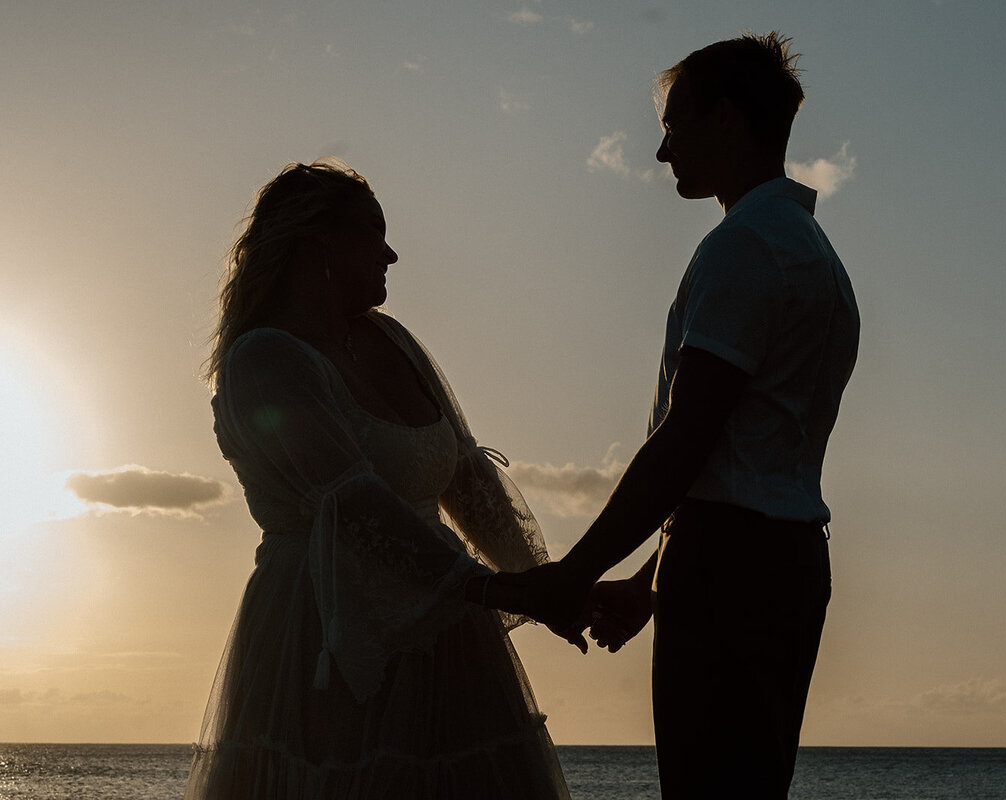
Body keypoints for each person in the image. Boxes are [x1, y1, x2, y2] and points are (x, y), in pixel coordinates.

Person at [481, 32, 860, 799]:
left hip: (727, 567)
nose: (661, 153)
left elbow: (688, 439)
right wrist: (651, 579)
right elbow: (750, 454)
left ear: (724, 120)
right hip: (786, 562)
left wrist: (574, 573)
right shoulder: (816, 255)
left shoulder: (743, 248)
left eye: (674, 126)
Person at [185, 162, 573, 799]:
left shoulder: (394, 340)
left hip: (447, 629)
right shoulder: (264, 359)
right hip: (325, 636)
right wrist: (496, 590)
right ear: (319, 244)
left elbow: (467, 475)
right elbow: (356, 506)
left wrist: (554, 587)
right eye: (372, 231)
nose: (391, 253)